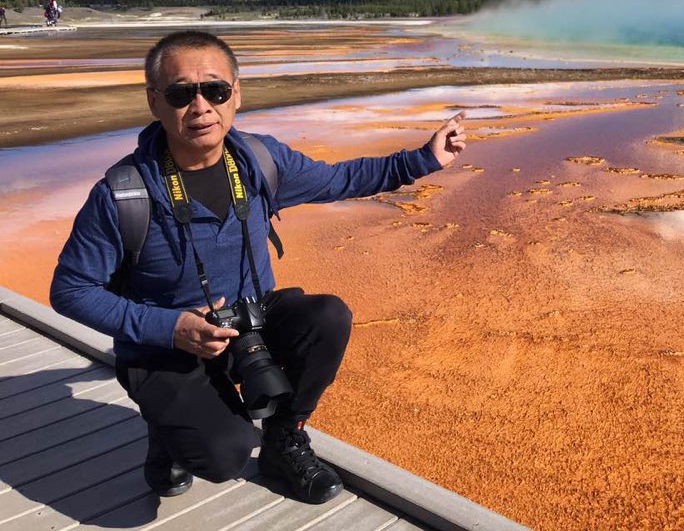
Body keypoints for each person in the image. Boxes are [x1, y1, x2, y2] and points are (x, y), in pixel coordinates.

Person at [51, 30, 467, 504]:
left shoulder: (259, 160)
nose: (201, 107)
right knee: (224, 455)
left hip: (251, 322)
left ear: (236, 94)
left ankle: (283, 440)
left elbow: (340, 179)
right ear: (155, 102)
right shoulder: (122, 195)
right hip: (164, 344)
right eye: (181, 93)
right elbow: (71, 290)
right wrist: (171, 328)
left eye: (216, 90)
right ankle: (166, 435)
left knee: (327, 317)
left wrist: (424, 158)